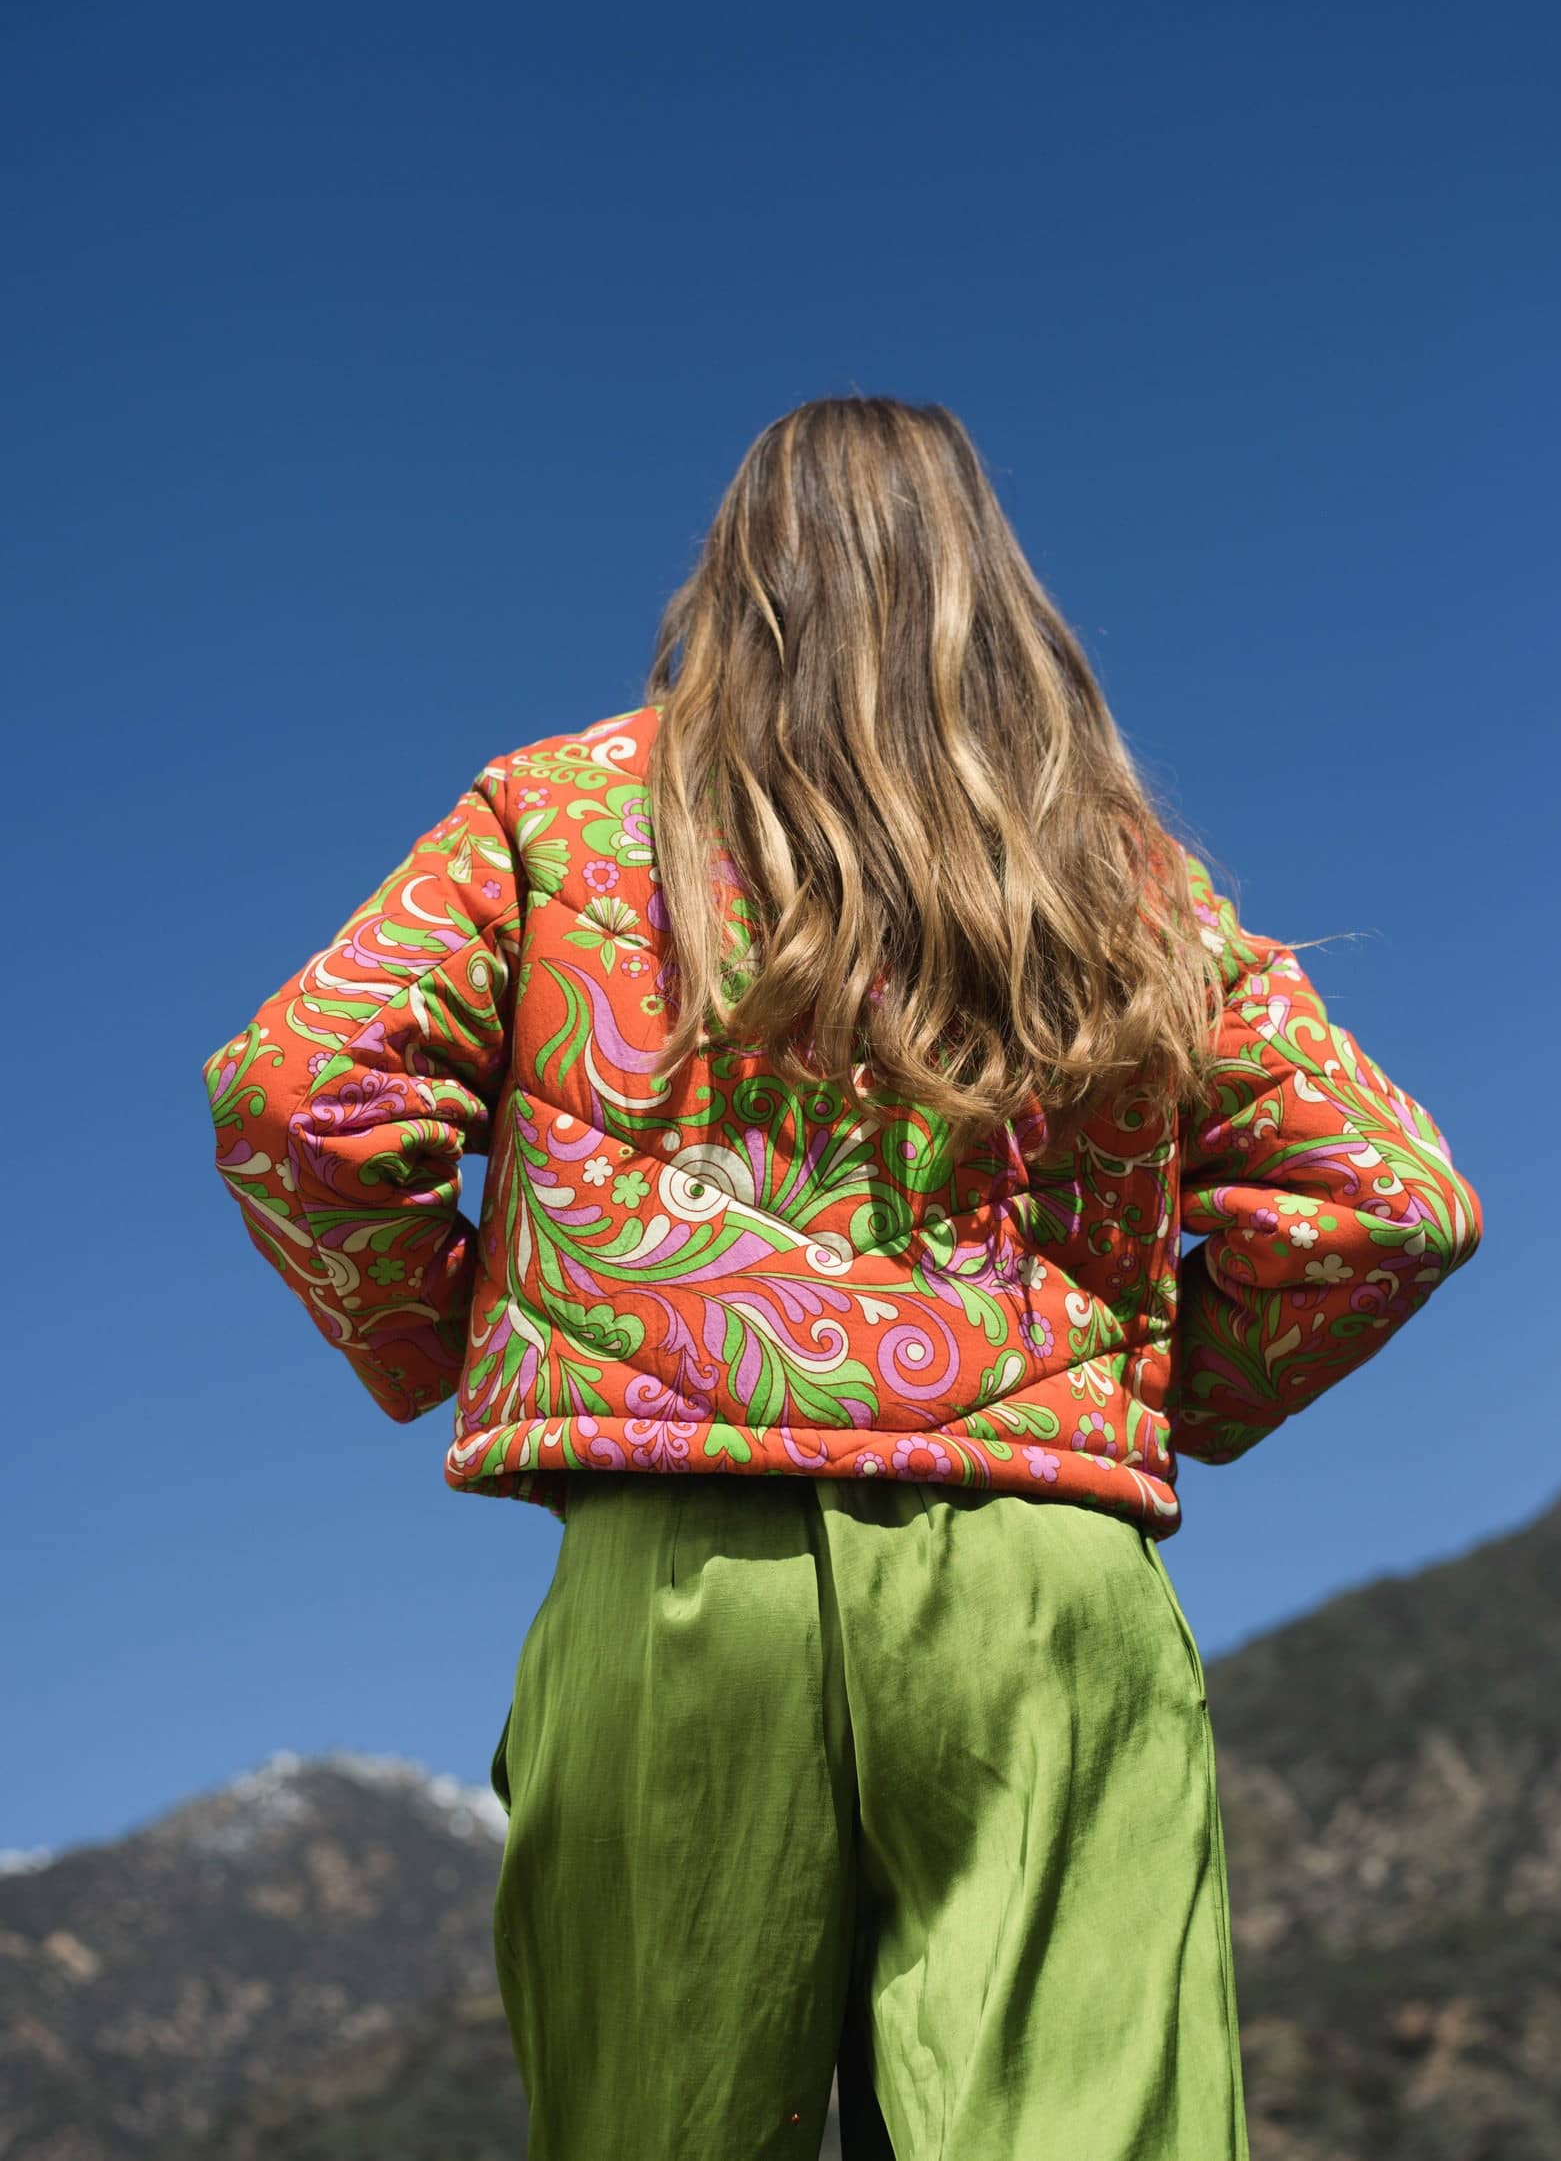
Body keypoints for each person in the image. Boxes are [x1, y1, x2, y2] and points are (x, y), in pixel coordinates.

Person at [200, 395, 1484, 2159]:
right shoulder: (1121, 884)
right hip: (1043, 1591)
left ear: (728, 581)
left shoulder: (554, 817)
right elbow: (1390, 1202)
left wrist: (439, 1341)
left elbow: (300, 1099)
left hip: (677, 1571)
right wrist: (1125, 1401)